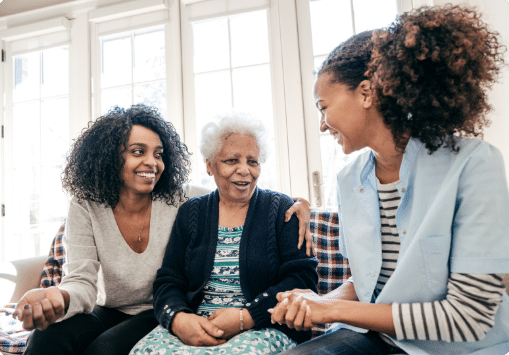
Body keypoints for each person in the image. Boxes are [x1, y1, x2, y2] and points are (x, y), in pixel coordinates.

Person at [270, 5, 509, 355]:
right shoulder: (350, 179)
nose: (322, 124)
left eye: (323, 107)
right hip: (380, 339)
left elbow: (467, 317)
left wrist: (332, 309)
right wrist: (315, 302)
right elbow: (368, 284)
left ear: (366, 93)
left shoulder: (474, 164)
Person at [13, 104, 312, 355]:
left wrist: (301, 203)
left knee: (104, 350)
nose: (151, 162)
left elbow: (238, 192)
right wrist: (58, 297)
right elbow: (81, 282)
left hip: (154, 311)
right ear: (109, 156)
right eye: (138, 151)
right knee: (46, 338)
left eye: (158, 153)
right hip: (112, 307)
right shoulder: (87, 206)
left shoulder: (181, 199)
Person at [129, 113, 319, 355]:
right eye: (231, 160)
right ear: (210, 165)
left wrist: (246, 316)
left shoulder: (281, 209)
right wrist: (179, 319)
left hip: (263, 326)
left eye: (253, 161)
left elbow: (303, 279)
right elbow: (169, 280)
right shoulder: (191, 212)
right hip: (198, 324)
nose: (244, 170)